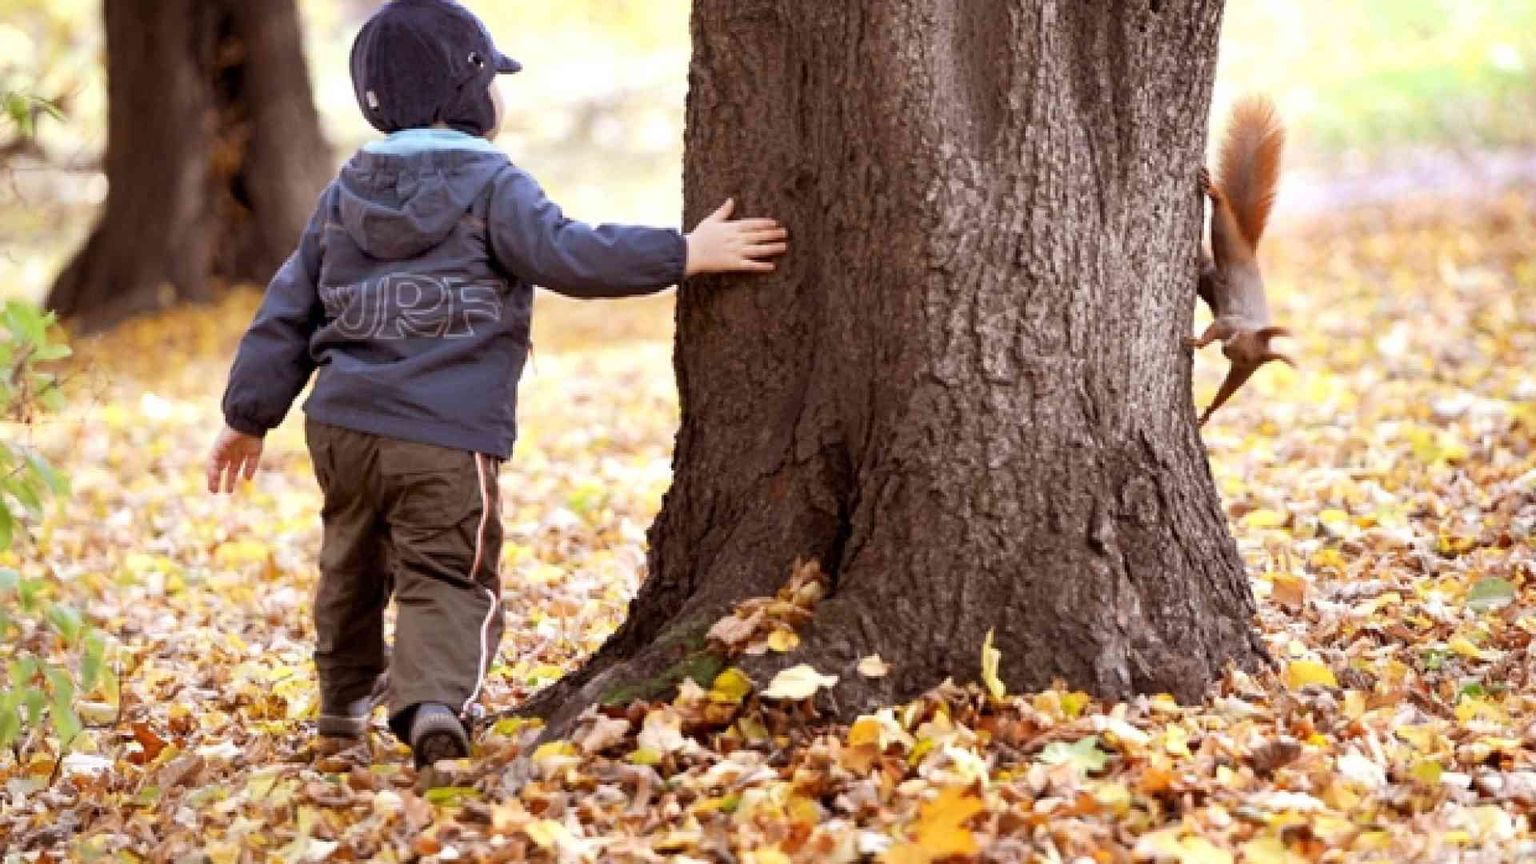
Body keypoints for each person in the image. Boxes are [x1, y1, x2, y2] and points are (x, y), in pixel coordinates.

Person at [205, 0, 788, 768]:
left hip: (342, 426)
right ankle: (433, 703)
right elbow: (569, 253)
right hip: (444, 434)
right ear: (466, 91)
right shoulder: (492, 184)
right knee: (447, 571)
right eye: (493, 81)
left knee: (349, 568)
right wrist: (682, 253)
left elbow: (288, 307)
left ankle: (341, 712)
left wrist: (247, 416)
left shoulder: (346, 190)